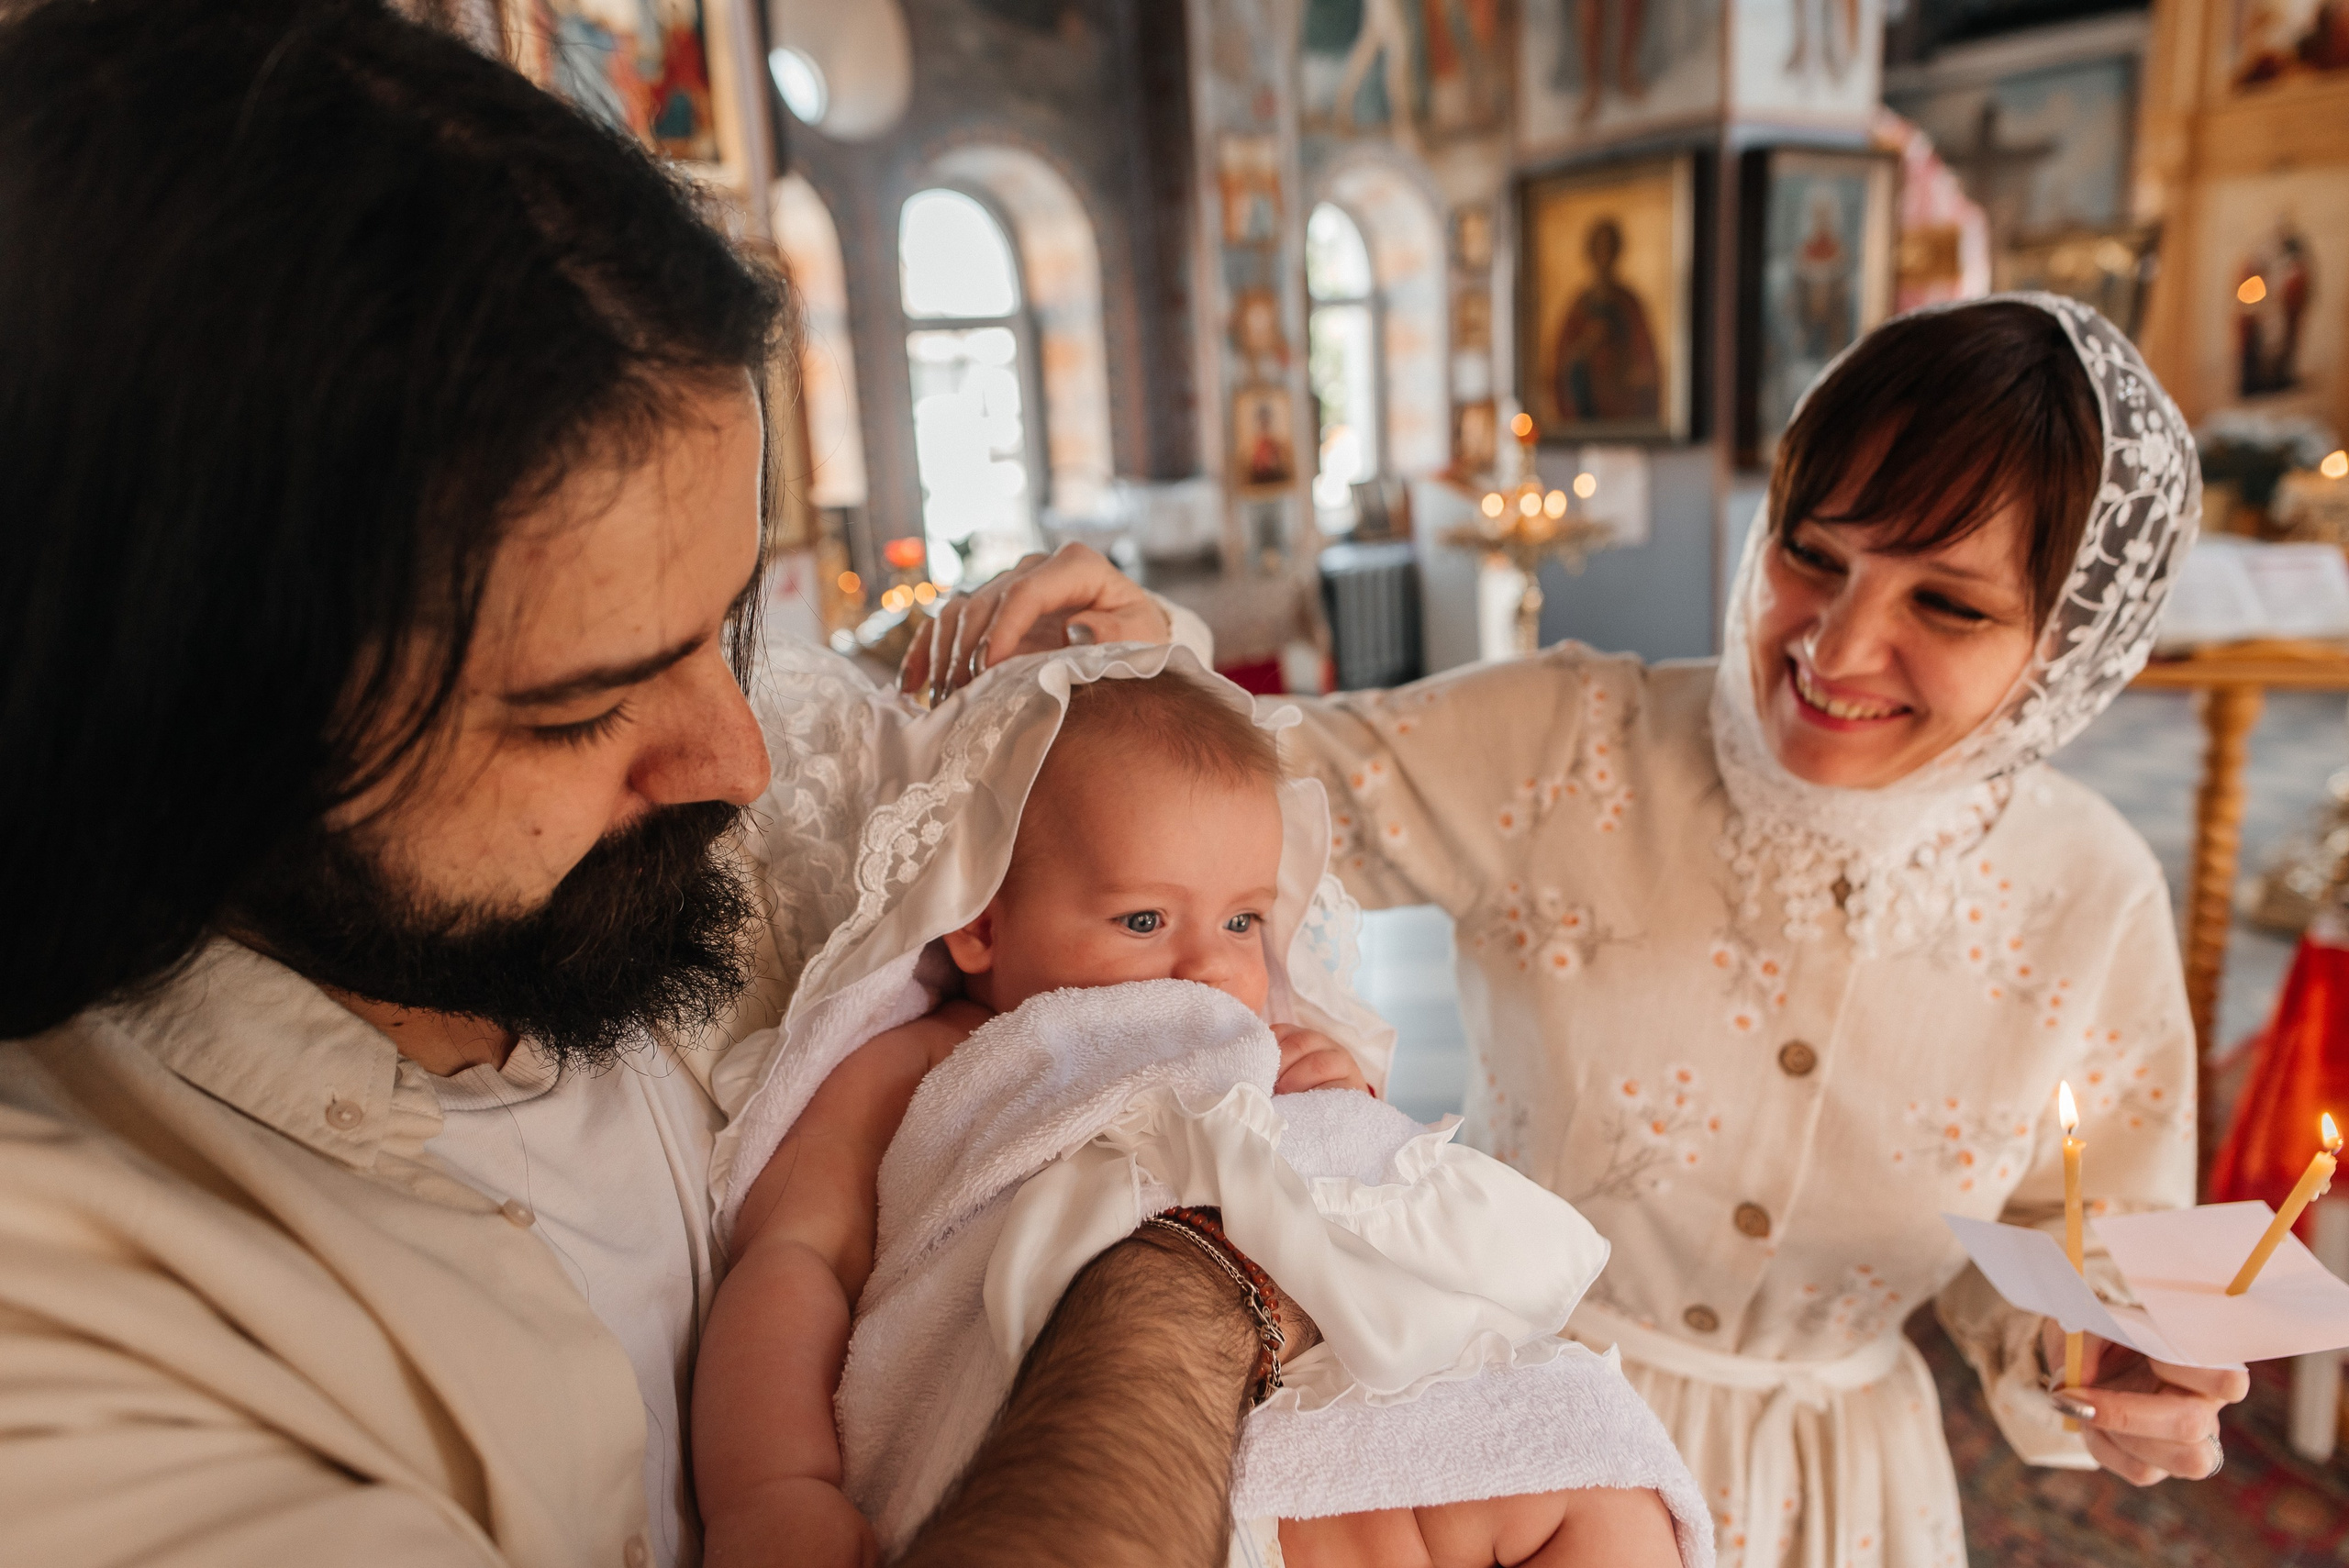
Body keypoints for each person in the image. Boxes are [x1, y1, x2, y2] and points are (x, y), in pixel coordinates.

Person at [0, 6, 1292, 1566]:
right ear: (182, 701)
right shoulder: (65, 1323)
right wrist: (1178, 1274)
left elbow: (1205, 889)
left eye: (726, 626)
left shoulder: (756, 808)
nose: (734, 760)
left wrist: (1121, 673)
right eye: (582, 706)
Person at [907, 295, 2248, 1567]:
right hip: (1522, 1449)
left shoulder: (2095, 892)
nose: (1836, 649)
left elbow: (2065, 1248)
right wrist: (1142, 653)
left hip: (1847, 1495)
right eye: (1811, 556)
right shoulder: (1572, 740)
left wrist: (2098, 1353)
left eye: (1946, 604)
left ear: (2069, 643)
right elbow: (1246, 783)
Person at [693, 665, 1690, 1568]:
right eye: (1142, 920)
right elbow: (794, 1259)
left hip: (1342, 1402)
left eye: (1243, 920)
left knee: (1606, 1492)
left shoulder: (1258, 1042)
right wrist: (772, 1491)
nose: (1212, 969)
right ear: (982, 917)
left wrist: (1340, 1097)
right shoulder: (919, 1057)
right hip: (1071, 1422)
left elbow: (1359, 1200)